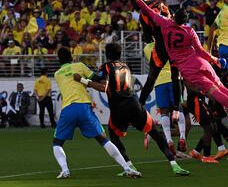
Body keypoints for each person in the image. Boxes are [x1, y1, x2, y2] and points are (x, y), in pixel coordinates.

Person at [121, 0, 228, 125]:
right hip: (200, 62)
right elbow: (201, 51)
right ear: (185, 21)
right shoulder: (190, 31)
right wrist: (214, 60)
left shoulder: (165, 25)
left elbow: (145, 10)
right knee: (220, 86)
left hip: (187, 68)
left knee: (213, 91)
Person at [75, 43, 190, 176]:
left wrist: (82, 80)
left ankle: (129, 166)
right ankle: (174, 165)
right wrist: (91, 76)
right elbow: (103, 78)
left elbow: (103, 87)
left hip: (119, 108)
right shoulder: (125, 66)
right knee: (156, 134)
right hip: (134, 104)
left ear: (107, 54)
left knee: (113, 136)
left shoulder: (105, 66)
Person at [52, 47, 141, 179]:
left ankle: (65, 170)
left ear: (59, 60)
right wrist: (85, 79)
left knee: (57, 143)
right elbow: (98, 79)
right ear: (71, 57)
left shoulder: (57, 74)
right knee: (103, 140)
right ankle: (127, 168)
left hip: (68, 109)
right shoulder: (79, 66)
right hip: (84, 108)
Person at [138, 0, 182, 123]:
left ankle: (139, 106)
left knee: (151, 78)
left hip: (161, 50)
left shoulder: (143, 16)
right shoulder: (162, 5)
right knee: (176, 77)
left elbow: (148, 35)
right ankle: (177, 109)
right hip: (173, 44)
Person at [143, 41, 187, 154]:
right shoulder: (171, 44)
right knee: (179, 108)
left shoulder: (148, 48)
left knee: (164, 112)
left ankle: (169, 141)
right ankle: (182, 137)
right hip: (174, 79)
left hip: (159, 81)